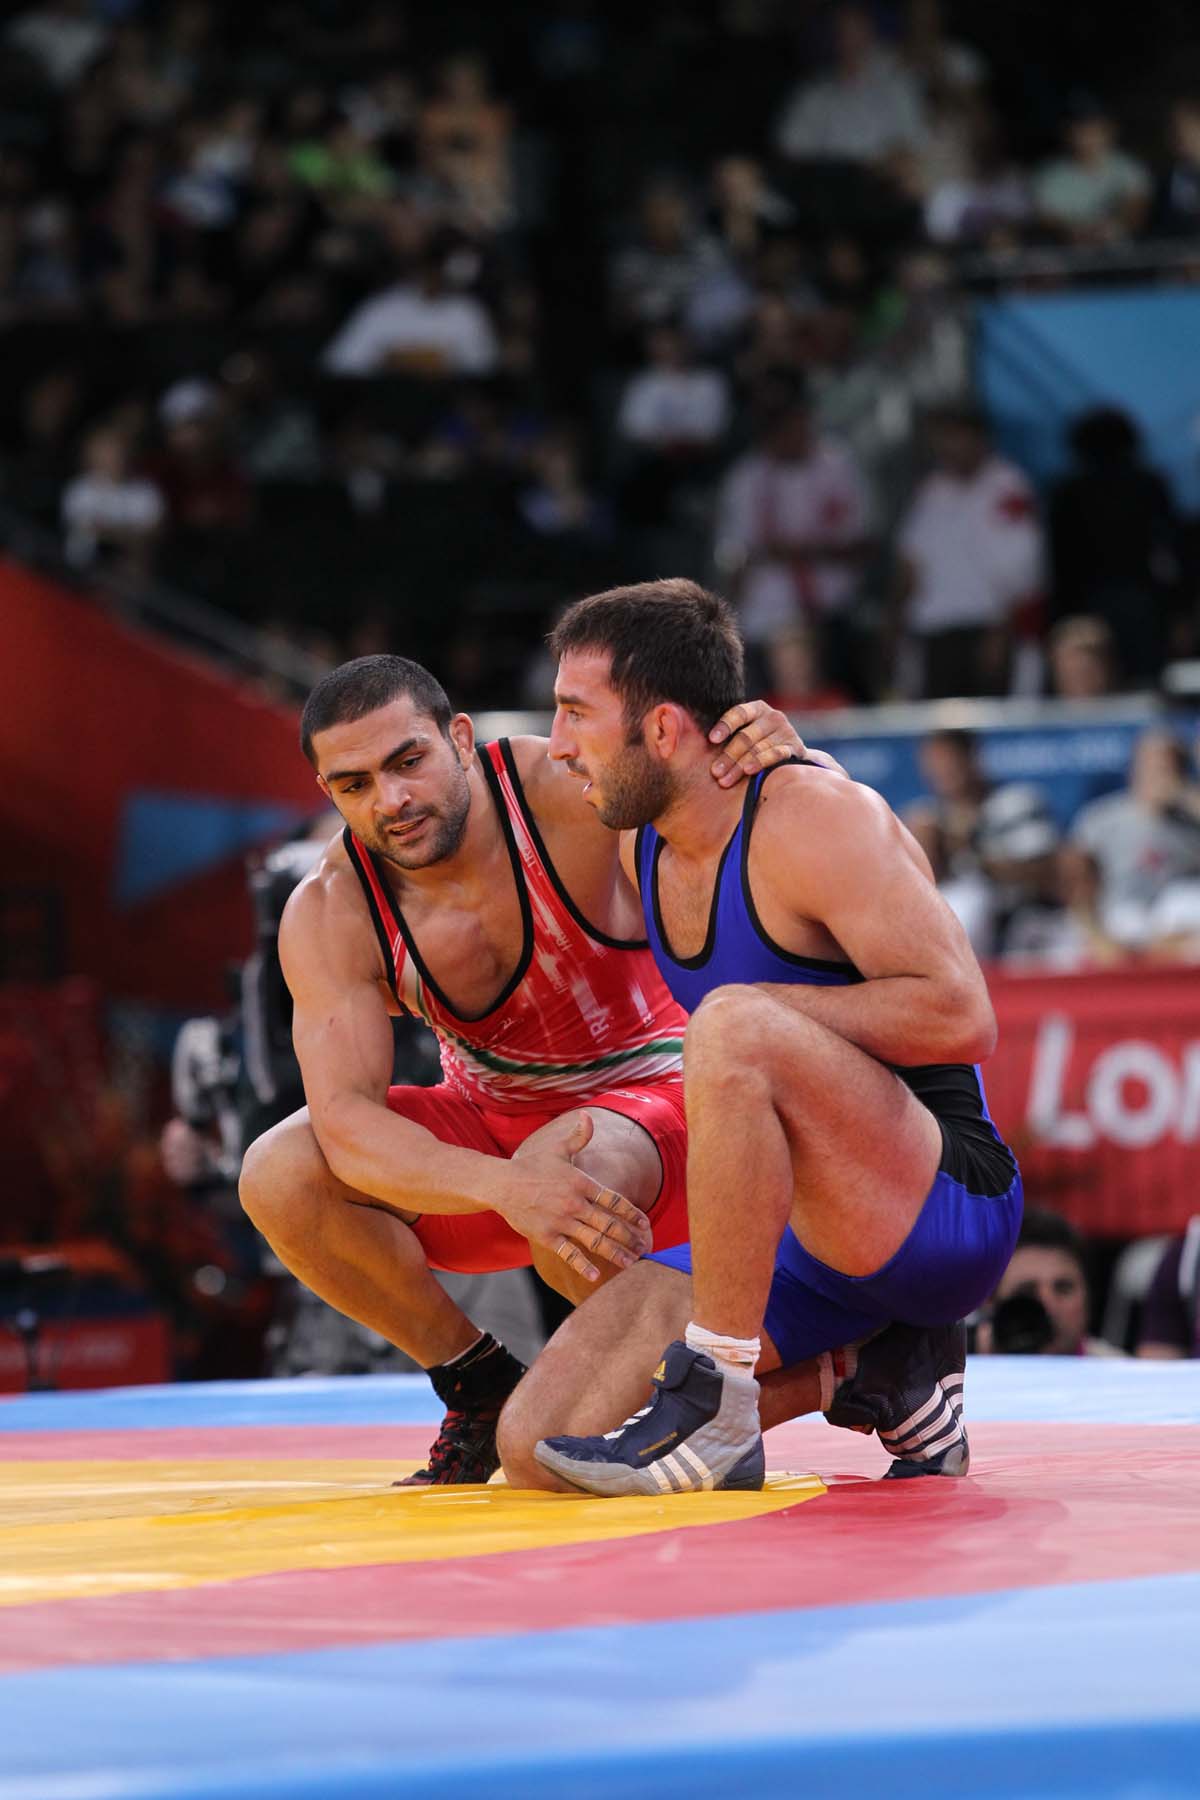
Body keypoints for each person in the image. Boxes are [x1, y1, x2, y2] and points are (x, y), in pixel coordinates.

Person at [493, 579, 1021, 1495]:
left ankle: (720, 1401)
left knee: (732, 1023)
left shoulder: (814, 815)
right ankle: (870, 1373)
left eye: (576, 712)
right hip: (801, 1244)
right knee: (535, 1446)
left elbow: (962, 1016)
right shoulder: (641, 844)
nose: (559, 741)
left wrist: (757, 1015)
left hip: (938, 1207)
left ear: (664, 729)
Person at [238, 653, 804, 1483]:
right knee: (279, 1171)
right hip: (508, 1138)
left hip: (668, 1104)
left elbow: (732, 815)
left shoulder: (565, 790)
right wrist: (505, 1187)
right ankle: (476, 1383)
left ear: (461, 738)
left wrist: (781, 768)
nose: (391, 801)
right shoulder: (332, 907)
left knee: (567, 1188)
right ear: (327, 791)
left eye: (407, 761)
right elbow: (347, 1125)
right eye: (355, 785)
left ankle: (755, 1389)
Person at [974, 1209, 1122, 1357]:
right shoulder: (968, 1366)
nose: (1049, 1306)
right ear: (990, 1304)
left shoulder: (1120, 1368)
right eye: (1026, 1292)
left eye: (1063, 1289)